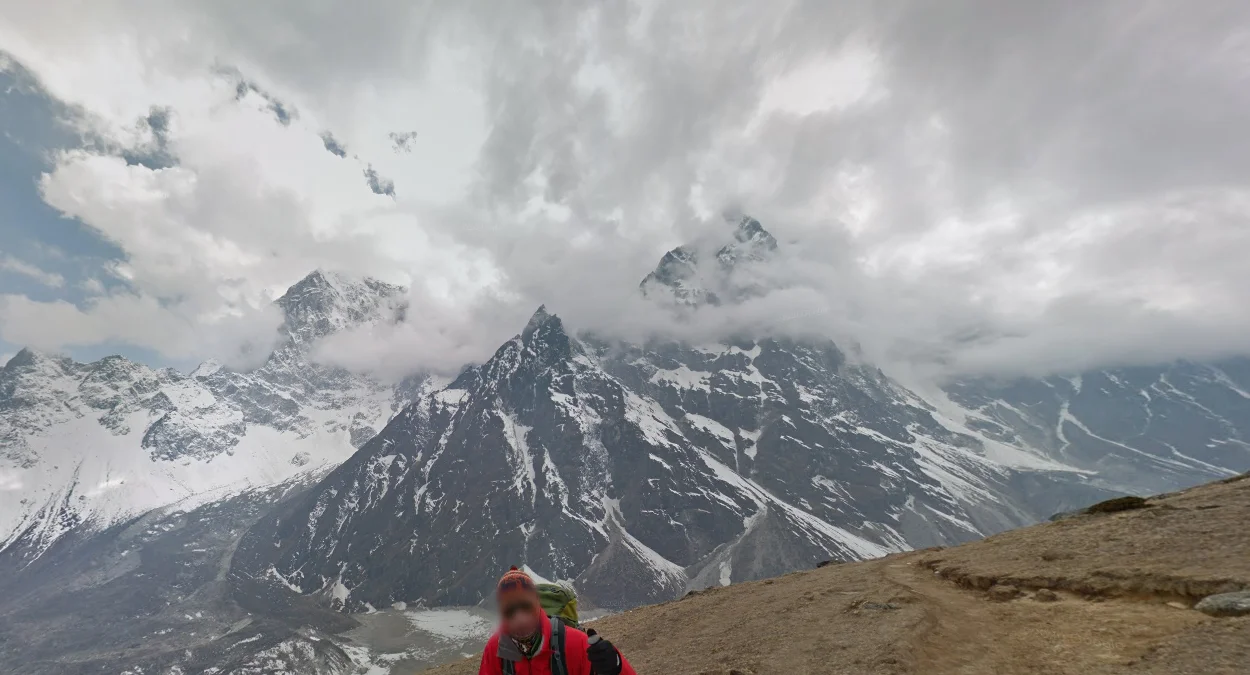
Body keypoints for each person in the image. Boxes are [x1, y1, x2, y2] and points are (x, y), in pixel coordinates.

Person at [477, 567, 636, 675]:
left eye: (525, 606)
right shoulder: (495, 650)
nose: (520, 617)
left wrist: (616, 668)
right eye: (510, 610)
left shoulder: (576, 644)